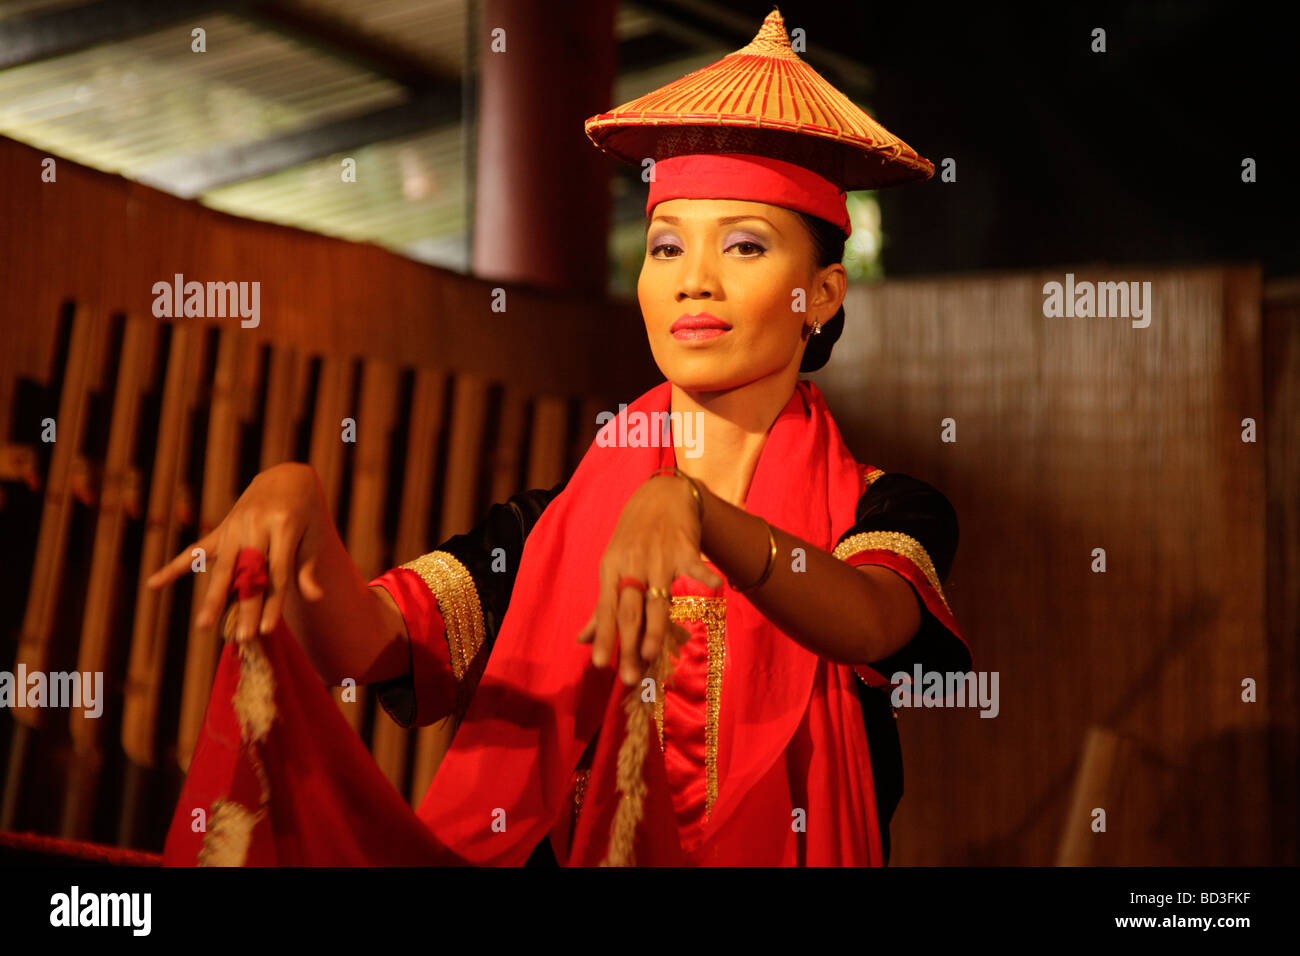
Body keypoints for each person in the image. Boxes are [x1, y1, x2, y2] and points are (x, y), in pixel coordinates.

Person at [152, 8, 971, 867]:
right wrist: (303, 521)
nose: (693, 281)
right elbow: (375, 644)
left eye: (743, 246)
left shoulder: (884, 508)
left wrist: (695, 512)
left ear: (824, 294)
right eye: (663, 247)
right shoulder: (552, 532)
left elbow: (875, 626)